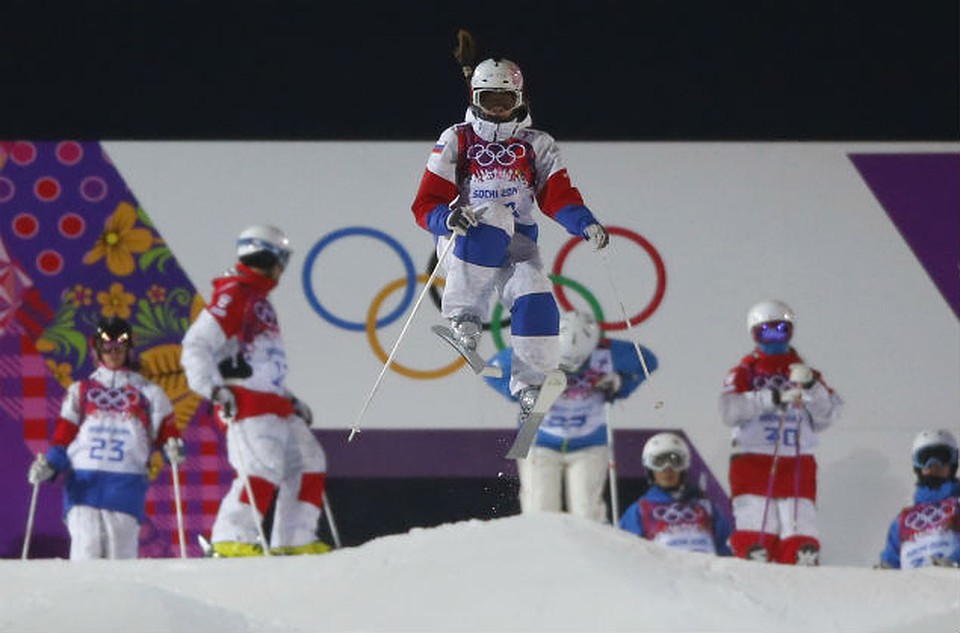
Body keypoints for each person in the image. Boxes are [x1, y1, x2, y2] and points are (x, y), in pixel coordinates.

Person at [411, 51, 610, 426]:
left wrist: (585, 223)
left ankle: (531, 384)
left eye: (506, 102)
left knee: (535, 290)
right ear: (474, 99)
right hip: (469, 237)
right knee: (497, 214)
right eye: (490, 101)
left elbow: (558, 194)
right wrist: (446, 217)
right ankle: (464, 316)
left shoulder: (537, 143)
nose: (499, 111)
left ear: (520, 100)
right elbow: (424, 202)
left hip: (518, 243)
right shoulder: (457, 138)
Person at [180, 225, 329, 557]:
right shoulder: (235, 294)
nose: (282, 268)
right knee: (261, 467)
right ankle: (230, 538)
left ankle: (294, 540)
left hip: (273, 402)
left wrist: (290, 399)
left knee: (308, 461)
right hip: (246, 403)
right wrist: (215, 390)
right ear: (267, 255)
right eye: (282, 259)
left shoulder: (256, 298)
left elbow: (262, 363)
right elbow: (196, 346)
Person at [27, 317, 183, 560]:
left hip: (125, 482)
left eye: (119, 348)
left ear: (130, 349)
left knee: (119, 555)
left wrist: (173, 448)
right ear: (97, 350)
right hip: (83, 480)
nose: (113, 354)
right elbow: (64, 435)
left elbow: (167, 435)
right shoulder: (81, 390)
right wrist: (50, 464)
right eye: (107, 348)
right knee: (86, 550)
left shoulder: (150, 392)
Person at [485, 310, 656, 521]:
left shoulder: (608, 351)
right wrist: (521, 391)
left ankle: (590, 553)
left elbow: (648, 361)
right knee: (540, 510)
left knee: (587, 513)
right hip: (540, 441)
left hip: (589, 443)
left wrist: (621, 384)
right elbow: (492, 370)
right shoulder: (533, 351)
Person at [719, 300, 843, 565]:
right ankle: (753, 553)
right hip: (752, 457)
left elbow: (828, 415)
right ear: (754, 333)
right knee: (755, 517)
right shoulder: (744, 371)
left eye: (781, 330)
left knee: (798, 521)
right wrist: (770, 398)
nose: (774, 338)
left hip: (796, 458)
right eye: (766, 331)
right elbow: (729, 411)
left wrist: (811, 387)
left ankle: (800, 557)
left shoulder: (806, 373)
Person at [619, 432, 731, 556]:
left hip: (704, 573)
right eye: (659, 462)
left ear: (684, 467)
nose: (668, 469)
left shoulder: (707, 508)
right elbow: (628, 555)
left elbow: (726, 551)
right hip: (664, 573)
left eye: (675, 461)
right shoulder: (639, 511)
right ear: (650, 469)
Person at [878, 429, 959, 569]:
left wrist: (954, 562)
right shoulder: (904, 519)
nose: (934, 464)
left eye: (941, 457)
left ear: (953, 463)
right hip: (915, 587)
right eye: (925, 458)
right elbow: (891, 561)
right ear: (917, 465)